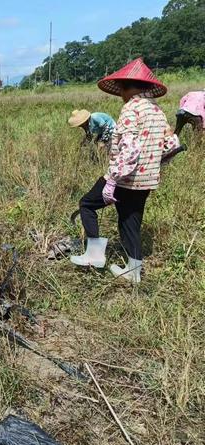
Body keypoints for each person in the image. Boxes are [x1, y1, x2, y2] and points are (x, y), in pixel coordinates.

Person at [70, 58, 179, 284]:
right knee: (130, 223)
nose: (120, 94)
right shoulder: (157, 111)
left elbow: (129, 150)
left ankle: (95, 254)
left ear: (127, 87)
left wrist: (112, 179)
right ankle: (134, 273)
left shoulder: (131, 109)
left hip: (125, 179)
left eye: (121, 89)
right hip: (147, 180)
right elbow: (170, 145)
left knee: (87, 204)